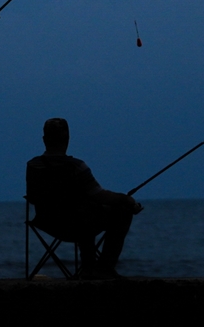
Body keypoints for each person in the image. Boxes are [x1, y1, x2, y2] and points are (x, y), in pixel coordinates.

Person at [25, 117, 143, 279]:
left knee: (85, 211)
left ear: (44, 139)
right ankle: (103, 268)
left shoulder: (33, 166)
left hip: (48, 223)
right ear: (67, 139)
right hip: (78, 225)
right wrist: (127, 200)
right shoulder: (76, 166)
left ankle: (88, 268)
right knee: (118, 212)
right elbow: (101, 195)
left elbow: (32, 198)